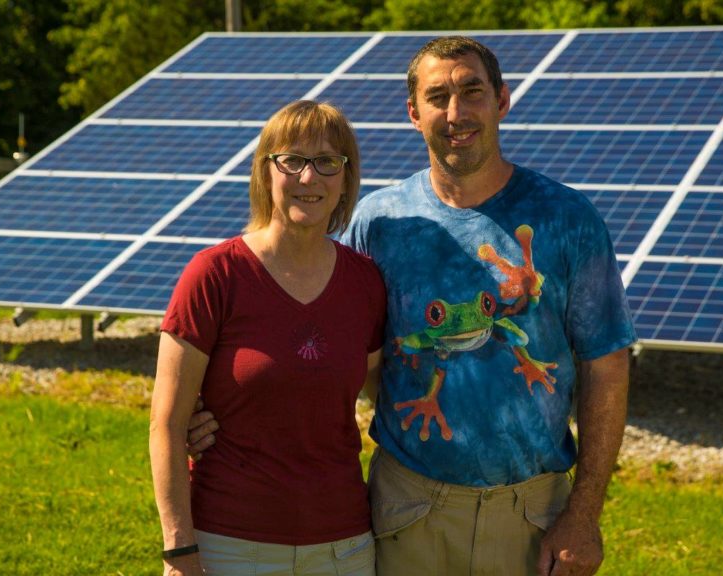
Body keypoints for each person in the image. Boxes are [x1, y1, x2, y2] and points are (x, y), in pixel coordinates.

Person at [190, 36, 635, 576]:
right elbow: (313, 344)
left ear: (502, 100)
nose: (456, 112)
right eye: (437, 96)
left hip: (533, 515)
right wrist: (216, 411)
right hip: (407, 510)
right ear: (412, 113)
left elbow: (606, 367)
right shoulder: (378, 223)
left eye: (472, 91)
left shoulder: (569, 219)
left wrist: (584, 513)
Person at [150, 100, 386, 576]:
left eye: (326, 162)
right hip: (231, 545)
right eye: (292, 160)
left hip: (344, 547)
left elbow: (385, 395)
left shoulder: (366, 283)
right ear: (265, 172)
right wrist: (179, 552)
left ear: (345, 178)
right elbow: (167, 425)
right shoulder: (215, 275)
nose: (308, 178)